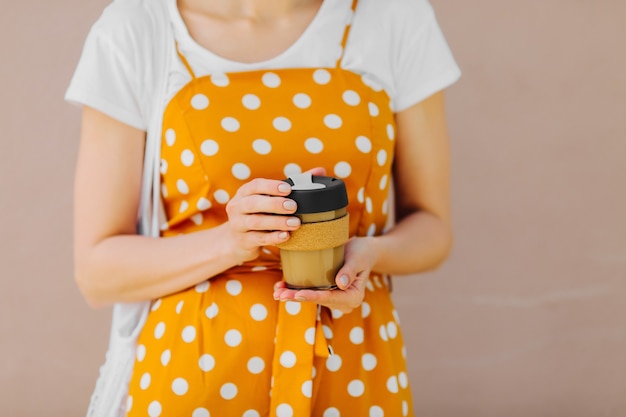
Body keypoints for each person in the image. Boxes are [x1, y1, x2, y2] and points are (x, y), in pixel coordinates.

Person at [66, 0, 460, 415]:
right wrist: (230, 242)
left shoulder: (394, 17)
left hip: (355, 375)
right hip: (197, 378)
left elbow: (432, 229)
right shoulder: (138, 29)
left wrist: (370, 254)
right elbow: (97, 272)